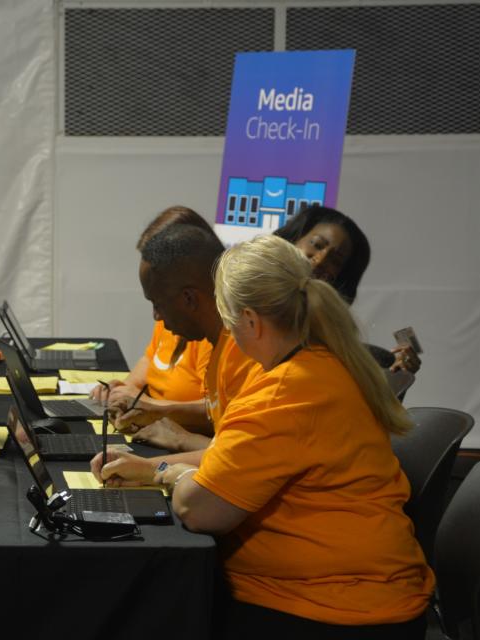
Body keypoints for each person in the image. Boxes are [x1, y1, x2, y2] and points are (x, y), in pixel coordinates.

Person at [95, 235, 434, 639]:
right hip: (361, 595)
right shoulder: (321, 365)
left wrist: (168, 473)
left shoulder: (281, 393)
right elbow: (234, 456)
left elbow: (200, 510)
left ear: (251, 322)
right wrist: (147, 468)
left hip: (331, 609)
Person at [91, 207, 215, 434]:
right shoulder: (171, 318)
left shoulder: (214, 334)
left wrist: (152, 408)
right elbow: (150, 358)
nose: (156, 316)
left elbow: (218, 413)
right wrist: (124, 390)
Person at [276, 205, 420, 373]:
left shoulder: (332, 341)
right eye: (316, 244)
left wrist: (399, 376)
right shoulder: (245, 296)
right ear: (292, 239)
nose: (321, 259)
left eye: (336, 260)